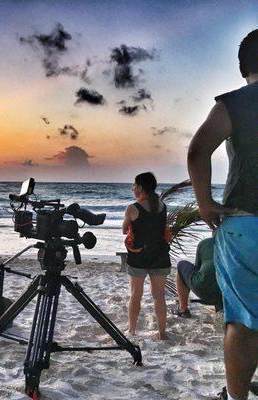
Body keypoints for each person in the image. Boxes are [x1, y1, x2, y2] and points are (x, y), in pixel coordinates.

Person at [187, 30, 257, 400]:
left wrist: (205, 203)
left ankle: (236, 396)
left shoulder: (236, 103)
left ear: (244, 67)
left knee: (243, 320)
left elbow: (198, 151)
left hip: (246, 224)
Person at [122, 172, 171, 340]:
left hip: (139, 257)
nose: (133, 188)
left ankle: (132, 330)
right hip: (160, 256)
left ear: (141, 187)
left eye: (134, 185)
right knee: (159, 296)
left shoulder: (132, 207)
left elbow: (124, 229)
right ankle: (162, 333)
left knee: (136, 294)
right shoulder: (162, 205)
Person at [173, 237, 223, 317]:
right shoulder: (237, 243)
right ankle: (220, 308)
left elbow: (197, 269)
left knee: (181, 265)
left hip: (204, 290)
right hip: (231, 293)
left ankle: (183, 309)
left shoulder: (205, 243)